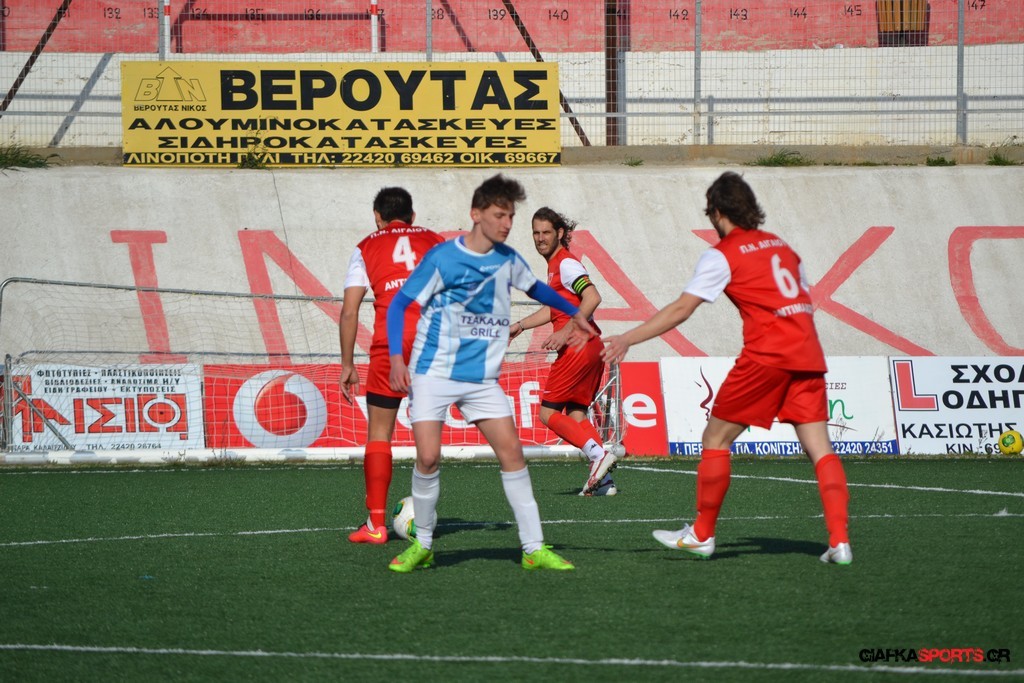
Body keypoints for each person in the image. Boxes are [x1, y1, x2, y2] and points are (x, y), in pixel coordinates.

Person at [600, 172, 852, 565]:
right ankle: (840, 541)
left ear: (717, 212)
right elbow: (801, 298)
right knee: (821, 449)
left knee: (715, 439)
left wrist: (628, 338)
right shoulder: (783, 247)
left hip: (766, 356)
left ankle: (701, 534)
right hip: (807, 353)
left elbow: (681, 309)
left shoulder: (723, 254)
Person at [385, 174, 596, 573]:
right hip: (434, 373)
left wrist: (574, 313)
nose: (507, 224)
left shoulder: (508, 260)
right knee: (427, 458)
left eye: (511, 216)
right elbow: (400, 305)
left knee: (512, 454)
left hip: (481, 380)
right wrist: (398, 358)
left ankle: (533, 548)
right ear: (476, 214)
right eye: (500, 215)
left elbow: (539, 291)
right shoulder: (443, 258)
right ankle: (423, 545)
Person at [339, 187, 445, 544]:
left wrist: (347, 363)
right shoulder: (435, 241)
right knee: (427, 437)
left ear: (377, 216)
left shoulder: (365, 247)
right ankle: (424, 520)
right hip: (431, 344)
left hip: (390, 343)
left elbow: (350, 311)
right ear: (412, 217)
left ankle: (376, 525)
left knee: (379, 434)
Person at [509, 207, 618, 496]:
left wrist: (566, 331)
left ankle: (598, 456)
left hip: (577, 348)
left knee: (548, 414)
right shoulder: (556, 266)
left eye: (546, 232)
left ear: (560, 233)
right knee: (577, 415)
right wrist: (521, 325)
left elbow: (592, 297)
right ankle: (605, 481)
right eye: (536, 232)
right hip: (591, 347)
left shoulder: (567, 264)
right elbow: (553, 309)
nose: (540, 238)